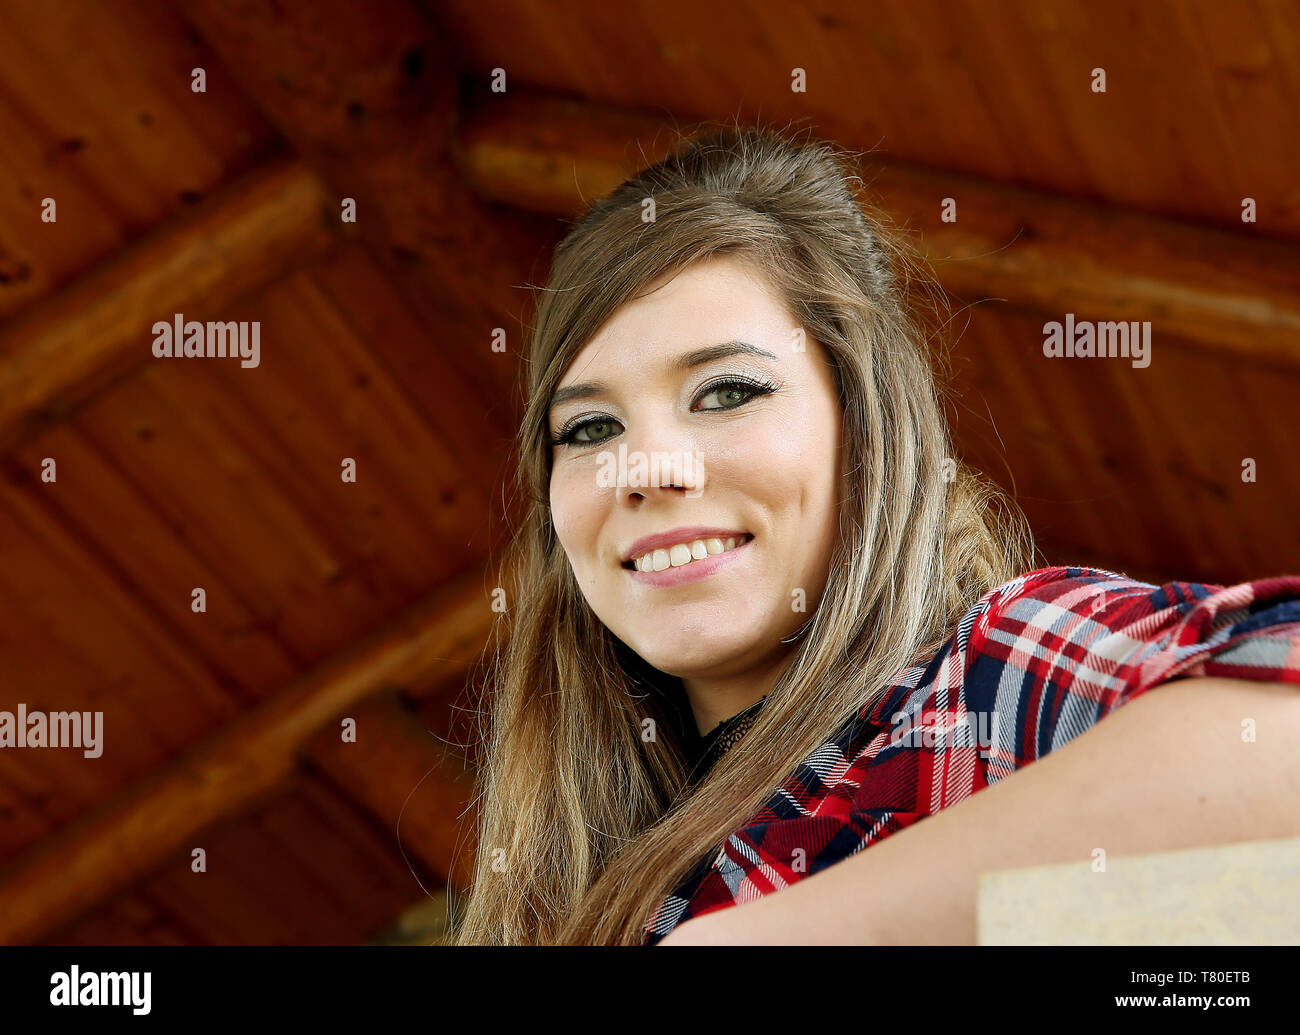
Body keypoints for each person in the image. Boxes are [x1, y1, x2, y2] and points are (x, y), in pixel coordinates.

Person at [450, 121, 1300, 946]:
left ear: (866, 426)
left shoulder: (981, 687)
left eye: (727, 390)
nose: (644, 468)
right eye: (591, 429)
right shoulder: (556, 881)